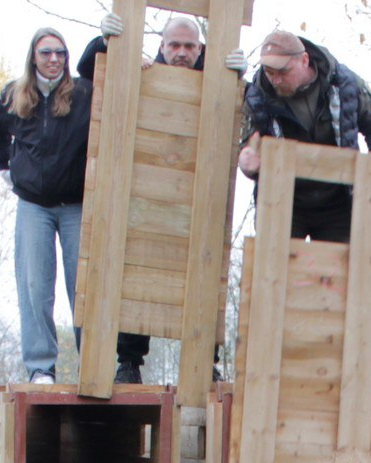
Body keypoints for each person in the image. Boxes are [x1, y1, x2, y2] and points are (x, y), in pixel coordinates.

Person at [76, 13, 246, 384]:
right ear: (162, 46)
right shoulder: (143, 70)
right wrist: (105, 42)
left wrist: (239, 77)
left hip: (196, 194)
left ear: (200, 48)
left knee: (204, 273)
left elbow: (248, 106)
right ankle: (129, 362)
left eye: (189, 46)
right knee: (134, 271)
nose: (182, 52)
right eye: (174, 45)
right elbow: (89, 69)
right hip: (144, 190)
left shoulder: (216, 79)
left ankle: (206, 361)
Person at [0, 28, 93, 384]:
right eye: (46, 53)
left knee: (84, 286)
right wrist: (6, 170)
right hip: (34, 206)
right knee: (34, 285)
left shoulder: (83, 93)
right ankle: (41, 368)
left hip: (76, 204)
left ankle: (92, 366)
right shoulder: (14, 94)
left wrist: (106, 39)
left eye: (60, 53)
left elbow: (98, 59)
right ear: (33, 56)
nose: (54, 59)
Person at [238, 31, 371, 243]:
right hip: (283, 199)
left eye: (283, 72)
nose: (275, 80)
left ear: (304, 60)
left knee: (341, 262)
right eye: (269, 72)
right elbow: (248, 143)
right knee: (271, 260)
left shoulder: (345, 84)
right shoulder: (257, 97)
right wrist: (247, 159)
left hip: (338, 201)